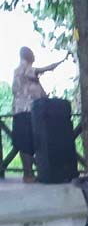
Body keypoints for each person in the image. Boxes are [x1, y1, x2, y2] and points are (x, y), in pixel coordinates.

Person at [10, 47, 66, 183]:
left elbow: (40, 92)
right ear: (27, 55)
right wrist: (56, 64)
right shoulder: (22, 68)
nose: (34, 56)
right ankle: (28, 174)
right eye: (33, 54)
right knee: (26, 143)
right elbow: (40, 70)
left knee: (34, 142)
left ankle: (37, 173)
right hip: (24, 111)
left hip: (32, 112)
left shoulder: (30, 77)